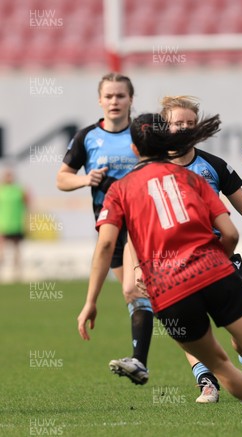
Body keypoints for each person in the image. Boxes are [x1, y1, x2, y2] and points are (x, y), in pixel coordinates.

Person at [77, 113, 242, 429]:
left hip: (170, 290)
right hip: (216, 272)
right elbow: (230, 233)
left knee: (220, 364)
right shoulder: (193, 179)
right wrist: (216, 262)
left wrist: (90, 301)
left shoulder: (120, 190)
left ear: (134, 150)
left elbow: (107, 247)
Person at [154, 95, 242, 403]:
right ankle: (207, 382)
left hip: (220, 258)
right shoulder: (152, 170)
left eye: (191, 123)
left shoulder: (214, 166)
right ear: (165, 125)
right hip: (175, 263)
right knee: (189, 330)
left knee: (240, 336)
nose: (185, 128)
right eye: (179, 123)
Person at [56, 73, 153, 385]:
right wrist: (86, 179)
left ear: (131, 100)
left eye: (120, 96)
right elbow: (62, 178)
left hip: (144, 226)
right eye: (109, 96)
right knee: (138, 299)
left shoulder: (141, 134)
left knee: (140, 293)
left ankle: (194, 370)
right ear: (100, 100)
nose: (114, 101)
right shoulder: (87, 137)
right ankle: (150, 361)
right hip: (110, 228)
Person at [0, 169, 29, 278]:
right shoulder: (1, 190)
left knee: (16, 249)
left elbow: (27, 203)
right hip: (3, 224)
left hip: (16, 224)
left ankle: (17, 272)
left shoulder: (19, 190)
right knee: (1, 249)